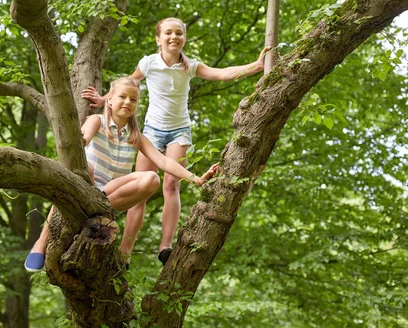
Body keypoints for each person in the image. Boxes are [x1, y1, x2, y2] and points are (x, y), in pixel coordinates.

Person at [82, 17, 270, 265]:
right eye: (168, 33)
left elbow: (221, 74)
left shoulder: (190, 66)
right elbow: (126, 85)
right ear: (158, 39)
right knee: (142, 193)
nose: (174, 37)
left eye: (179, 33)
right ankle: (125, 252)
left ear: (184, 39)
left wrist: (255, 66)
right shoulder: (148, 63)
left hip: (179, 131)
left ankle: (165, 246)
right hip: (150, 131)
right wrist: (103, 99)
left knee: (171, 184)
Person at [24, 77, 218, 272]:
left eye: (133, 99)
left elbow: (164, 161)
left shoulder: (136, 137)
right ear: (109, 100)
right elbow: (84, 136)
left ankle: (100, 212)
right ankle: (41, 242)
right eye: (122, 97)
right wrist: (78, 139)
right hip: (86, 185)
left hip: (110, 195)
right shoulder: (96, 121)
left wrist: (195, 178)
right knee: (88, 168)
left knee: (151, 178)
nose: (127, 102)